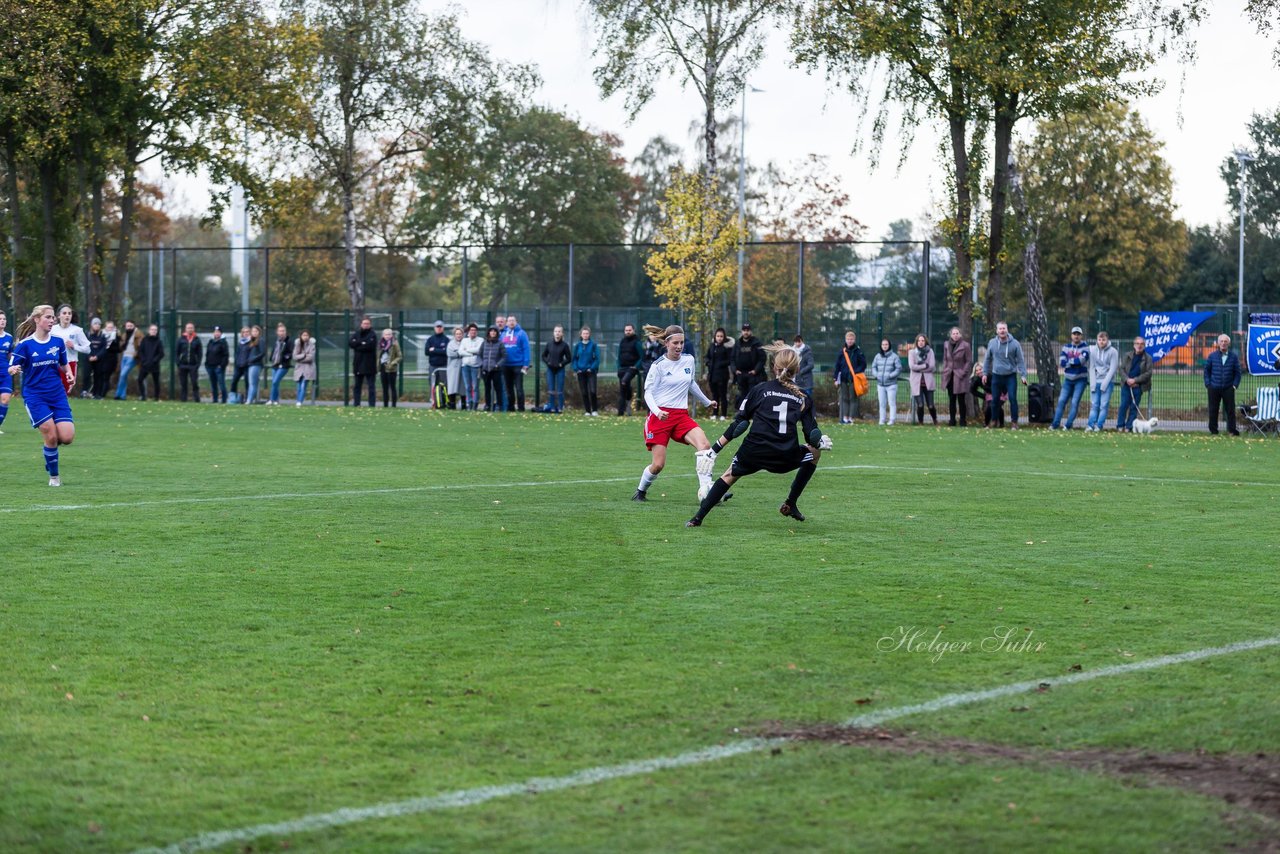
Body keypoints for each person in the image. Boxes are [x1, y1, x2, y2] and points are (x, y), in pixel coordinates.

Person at [687, 346, 832, 527]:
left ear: (774, 368)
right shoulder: (803, 397)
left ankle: (697, 518)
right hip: (784, 455)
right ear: (798, 370)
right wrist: (819, 442)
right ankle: (790, 502)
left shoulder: (761, 389)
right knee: (815, 453)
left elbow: (740, 424)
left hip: (754, 451)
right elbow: (811, 436)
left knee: (729, 475)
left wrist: (714, 450)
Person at [632, 324, 718, 502]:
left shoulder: (688, 360)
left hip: (681, 416)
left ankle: (708, 490)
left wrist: (707, 401)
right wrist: (657, 411)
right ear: (666, 343)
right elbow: (647, 393)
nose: (679, 347)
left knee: (705, 447)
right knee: (658, 465)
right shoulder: (658, 366)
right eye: (676, 343)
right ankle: (640, 491)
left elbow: (691, 383)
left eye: (682, 343)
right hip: (659, 418)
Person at [8, 305, 75, 485]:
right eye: (48, 317)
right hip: (35, 396)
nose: (52, 320)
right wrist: (13, 368)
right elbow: (12, 366)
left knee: (67, 437)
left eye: (53, 317)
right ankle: (54, 477)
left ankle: (49, 450)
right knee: (51, 436)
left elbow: (63, 363)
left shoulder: (58, 342)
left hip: (57, 395)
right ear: (37, 320)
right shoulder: (25, 345)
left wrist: (68, 372)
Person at [982, 322, 1027, 428]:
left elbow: (1020, 360)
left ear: (1007, 330)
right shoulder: (992, 343)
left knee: (1012, 398)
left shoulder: (1015, 344)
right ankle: (993, 421)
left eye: (1004, 328)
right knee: (995, 400)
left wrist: (1023, 375)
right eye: (1000, 329)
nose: (1002, 330)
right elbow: (987, 359)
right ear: (997, 331)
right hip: (996, 375)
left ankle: (1014, 422)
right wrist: (984, 373)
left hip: (1010, 376)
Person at [1050, 326, 1090, 431]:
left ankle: (1068, 425)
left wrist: (1070, 361)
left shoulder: (1085, 347)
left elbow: (1081, 361)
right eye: (1074, 334)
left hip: (1080, 379)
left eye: (1078, 334)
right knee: (1061, 401)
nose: (1076, 336)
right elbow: (1062, 362)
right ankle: (1054, 424)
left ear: (1081, 336)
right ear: (1071, 335)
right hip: (1068, 379)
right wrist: (1073, 362)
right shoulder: (1066, 347)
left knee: (1074, 402)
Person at [1204, 333, 1242, 436]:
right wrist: (1208, 384)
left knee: (1230, 410)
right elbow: (1206, 371)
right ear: (1218, 343)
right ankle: (1213, 431)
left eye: (1225, 341)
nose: (1223, 343)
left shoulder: (1233, 357)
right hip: (1214, 387)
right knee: (1213, 410)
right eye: (1221, 341)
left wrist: (1234, 385)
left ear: (1228, 343)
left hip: (1228, 388)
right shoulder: (1212, 356)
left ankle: (1232, 430)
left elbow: (1238, 373)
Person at [50, 304, 90, 396]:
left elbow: (87, 349)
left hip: (70, 364)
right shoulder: (52, 329)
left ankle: (61, 410)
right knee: (52, 391)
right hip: (53, 363)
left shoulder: (77, 330)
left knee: (64, 393)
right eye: (64, 313)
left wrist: (74, 346)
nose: (67, 315)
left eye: (69, 313)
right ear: (59, 315)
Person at [1116, 336, 1153, 432]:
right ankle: (1120, 426)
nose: (1139, 346)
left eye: (1141, 344)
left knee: (1134, 407)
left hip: (1138, 386)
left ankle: (1129, 427)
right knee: (1123, 405)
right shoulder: (1127, 355)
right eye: (1137, 343)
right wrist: (1127, 379)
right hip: (1126, 385)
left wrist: (1135, 380)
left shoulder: (1148, 358)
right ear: (1134, 345)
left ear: (1144, 346)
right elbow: (1121, 369)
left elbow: (1148, 373)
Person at [1085, 331, 1118, 432]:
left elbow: (1113, 369)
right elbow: (1091, 367)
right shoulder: (1093, 350)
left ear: (1107, 340)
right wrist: (1093, 383)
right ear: (1097, 340)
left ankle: (1099, 425)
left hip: (1107, 382)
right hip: (1096, 381)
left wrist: (1105, 384)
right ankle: (1090, 425)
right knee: (1094, 404)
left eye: (1103, 340)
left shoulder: (1113, 351)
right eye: (1099, 340)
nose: (1101, 342)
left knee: (1104, 405)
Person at [940, 327, 972, 426]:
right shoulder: (946, 344)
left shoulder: (965, 345)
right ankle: (952, 420)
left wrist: (963, 372)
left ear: (960, 334)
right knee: (952, 399)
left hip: (960, 375)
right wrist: (945, 369)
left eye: (957, 333)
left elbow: (968, 361)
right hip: (949, 375)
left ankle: (963, 421)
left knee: (961, 400)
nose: (955, 335)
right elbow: (945, 359)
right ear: (951, 335)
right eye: (953, 333)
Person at [833, 329, 866, 424]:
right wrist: (835, 378)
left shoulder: (858, 351)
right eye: (848, 339)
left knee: (853, 399)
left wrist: (855, 372)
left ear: (854, 340)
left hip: (854, 380)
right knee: (844, 398)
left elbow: (863, 365)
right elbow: (837, 365)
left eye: (851, 339)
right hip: (843, 378)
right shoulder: (842, 352)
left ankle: (851, 418)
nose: (849, 341)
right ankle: (845, 417)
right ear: (845, 340)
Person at [500, 314, 531, 411]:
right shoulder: (503, 334)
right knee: (508, 388)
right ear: (507, 322)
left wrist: (526, 364)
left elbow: (526, 349)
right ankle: (510, 407)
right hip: (506, 365)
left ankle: (521, 408)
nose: (511, 322)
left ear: (516, 322)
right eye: (509, 321)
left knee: (519, 388)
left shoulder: (522, 333)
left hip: (518, 365)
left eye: (513, 320)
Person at [731, 322, 766, 407]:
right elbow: (732, 359)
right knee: (742, 395)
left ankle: (753, 413)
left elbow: (762, 358)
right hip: (741, 374)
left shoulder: (756, 343)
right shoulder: (738, 343)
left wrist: (756, 370)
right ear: (742, 331)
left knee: (753, 395)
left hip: (753, 375)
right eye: (744, 330)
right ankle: (742, 413)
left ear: (750, 331)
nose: (746, 332)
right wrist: (735, 370)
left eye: (747, 330)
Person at [908, 333, 938, 425]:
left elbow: (932, 366)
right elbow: (912, 366)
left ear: (925, 342)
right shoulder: (912, 352)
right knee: (920, 405)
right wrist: (925, 365)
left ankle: (935, 421)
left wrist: (919, 368)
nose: (921, 342)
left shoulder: (930, 351)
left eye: (923, 340)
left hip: (928, 382)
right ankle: (921, 422)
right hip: (916, 383)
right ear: (916, 342)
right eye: (919, 341)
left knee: (931, 405)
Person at [870, 338, 901, 425]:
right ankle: (882, 420)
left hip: (891, 384)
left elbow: (898, 368)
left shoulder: (895, 356)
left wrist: (890, 375)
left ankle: (892, 420)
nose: (884, 346)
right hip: (880, 384)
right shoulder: (877, 356)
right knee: (882, 403)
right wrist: (876, 375)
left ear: (889, 345)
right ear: (881, 346)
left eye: (886, 344)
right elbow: (873, 367)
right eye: (883, 344)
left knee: (891, 403)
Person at [616, 324, 645, 416]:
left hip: (632, 368)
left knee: (624, 382)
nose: (628, 332)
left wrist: (636, 366)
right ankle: (624, 409)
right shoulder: (622, 341)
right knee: (623, 388)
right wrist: (619, 366)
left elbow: (642, 356)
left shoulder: (637, 342)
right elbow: (619, 355)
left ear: (633, 330)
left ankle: (622, 410)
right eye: (626, 330)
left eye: (629, 330)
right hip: (622, 368)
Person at [541, 325, 571, 413]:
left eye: (559, 331)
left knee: (559, 390)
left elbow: (569, 358)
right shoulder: (549, 344)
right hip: (550, 369)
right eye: (556, 331)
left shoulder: (565, 345)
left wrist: (562, 364)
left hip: (560, 370)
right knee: (551, 389)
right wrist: (548, 362)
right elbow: (543, 356)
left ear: (562, 334)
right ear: (553, 333)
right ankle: (553, 408)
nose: (557, 333)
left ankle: (560, 408)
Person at [349, 316, 377, 407]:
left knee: (371, 386)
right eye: (364, 323)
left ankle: (372, 404)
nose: (366, 325)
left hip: (370, 364)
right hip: (358, 364)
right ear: (361, 324)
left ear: (370, 324)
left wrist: (359, 344)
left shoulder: (373, 335)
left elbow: (370, 346)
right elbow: (351, 343)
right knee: (357, 386)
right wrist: (362, 342)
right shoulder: (356, 334)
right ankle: (356, 404)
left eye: (367, 323)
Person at [572, 325, 599, 415]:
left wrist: (591, 368)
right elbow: (574, 358)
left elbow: (597, 359)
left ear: (589, 334)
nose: (585, 335)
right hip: (581, 371)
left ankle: (594, 410)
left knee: (593, 391)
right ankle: (587, 411)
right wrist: (576, 369)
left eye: (587, 333)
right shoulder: (578, 346)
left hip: (591, 371)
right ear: (581, 334)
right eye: (584, 333)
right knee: (584, 392)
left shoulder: (593, 345)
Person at [479, 325, 507, 411]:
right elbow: (480, 355)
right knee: (487, 388)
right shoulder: (484, 343)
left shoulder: (500, 343)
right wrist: (483, 364)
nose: (493, 333)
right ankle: (487, 405)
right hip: (485, 369)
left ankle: (499, 405)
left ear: (497, 333)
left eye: (495, 331)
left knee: (498, 388)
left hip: (496, 370)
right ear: (489, 333)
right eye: (491, 331)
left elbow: (504, 356)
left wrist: (497, 365)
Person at [175, 321, 203, 402]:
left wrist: (197, 364)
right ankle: (183, 400)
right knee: (183, 384)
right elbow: (176, 352)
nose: (190, 329)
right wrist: (178, 363)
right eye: (188, 328)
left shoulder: (197, 340)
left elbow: (200, 353)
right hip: (183, 365)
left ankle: (197, 399)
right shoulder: (181, 339)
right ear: (185, 329)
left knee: (194, 383)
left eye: (191, 328)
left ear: (193, 329)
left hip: (193, 365)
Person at [114, 320, 141, 400]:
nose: (129, 327)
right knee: (123, 376)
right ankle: (123, 396)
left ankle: (118, 394)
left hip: (132, 357)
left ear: (134, 326)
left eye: (131, 326)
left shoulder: (138, 334)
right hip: (124, 356)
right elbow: (121, 346)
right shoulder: (125, 335)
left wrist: (136, 354)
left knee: (123, 374)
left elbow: (140, 345)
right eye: (127, 326)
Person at [425, 319, 450, 405]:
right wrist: (440, 350)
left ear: (443, 328)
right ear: (434, 328)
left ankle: (444, 401)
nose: (439, 329)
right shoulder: (430, 340)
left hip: (443, 366)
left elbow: (446, 352)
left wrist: (434, 350)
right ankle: (433, 401)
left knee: (444, 384)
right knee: (432, 384)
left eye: (440, 327)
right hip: (433, 365)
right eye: (437, 327)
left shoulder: (446, 340)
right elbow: (426, 352)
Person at [459, 323, 483, 410]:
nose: (473, 332)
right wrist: (471, 354)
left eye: (474, 330)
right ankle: (469, 403)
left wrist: (467, 350)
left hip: (476, 367)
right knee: (468, 386)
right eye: (471, 330)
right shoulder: (464, 340)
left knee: (475, 386)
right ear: (468, 331)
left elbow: (478, 350)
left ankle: (475, 404)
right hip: (465, 366)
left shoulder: (481, 340)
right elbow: (460, 352)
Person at [137, 323, 165, 401]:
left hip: (155, 365)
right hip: (145, 365)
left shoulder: (159, 341)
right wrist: (144, 360)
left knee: (156, 382)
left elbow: (161, 353)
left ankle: (156, 397)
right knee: (140, 380)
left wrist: (154, 360)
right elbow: (140, 351)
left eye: (155, 330)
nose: (154, 331)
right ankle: (143, 396)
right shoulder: (144, 340)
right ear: (149, 330)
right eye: (152, 329)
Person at [267, 323, 292, 405]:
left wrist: (285, 358)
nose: (282, 332)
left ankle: (271, 399)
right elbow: (274, 351)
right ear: (277, 332)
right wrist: (271, 359)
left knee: (275, 381)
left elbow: (290, 353)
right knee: (275, 383)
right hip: (275, 364)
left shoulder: (288, 341)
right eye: (280, 331)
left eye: (283, 331)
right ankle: (276, 400)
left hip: (283, 366)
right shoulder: (277, 341)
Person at [972, 362, 1002, 428]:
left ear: (984, 369)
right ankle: (986, 423)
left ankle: (1000, 423)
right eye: (976, 370)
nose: (979, 371)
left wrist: (986, 388)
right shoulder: (977, 379)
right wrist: (983, 396)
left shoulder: (990, 376)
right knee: (989, 407)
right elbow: (972, 390)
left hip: (1001, 393)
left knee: (997, 406)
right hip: (990, 395)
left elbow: (996, 387)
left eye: (980, 369)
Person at [205, 325, 230, 404]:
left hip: (218, 367)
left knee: (221, 384)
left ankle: (224, 399)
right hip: (210, 366)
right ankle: (215, 400)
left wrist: (221, 365)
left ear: (221, 333)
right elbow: (208, 353)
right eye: (215, 332)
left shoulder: (223, 343)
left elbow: (226, 355)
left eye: (218, 332)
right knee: (213, 384)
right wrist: (206, 364)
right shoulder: (211, 342)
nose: (216, 334)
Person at [86, 318, 109, 399]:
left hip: (99, 360)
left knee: (98, 377)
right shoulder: (87, 335)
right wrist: (90, 356)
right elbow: (85, 346)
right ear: (92, 325)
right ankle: (85, 392)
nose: (97, 325)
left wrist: (97, 357)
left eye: (99, 324)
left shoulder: (102, 336)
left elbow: (104, 348)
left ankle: (97, 394)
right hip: (89, 359)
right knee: (87, 376)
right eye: (95, 324)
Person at [378, 327, 402, 407]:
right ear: (383, 335)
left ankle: (394, 405)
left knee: (392, 387)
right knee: (384, 387)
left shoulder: (395, 344)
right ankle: (385, 405)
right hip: (382, 367)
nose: (387, 336)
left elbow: (399, 356)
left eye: (389, 334)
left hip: (392, 368)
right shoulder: (381, 344)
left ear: (392, 335)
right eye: (386, 334)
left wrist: (392, 363)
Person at [292, 329, 316, 406]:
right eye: (304, 335)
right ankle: (298, 400)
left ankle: (300, 402)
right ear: (300, 336)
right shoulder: (297, 345)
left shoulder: (312, 345)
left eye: (307, 335)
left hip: (308, 369)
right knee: (298, 386)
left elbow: (310, 358)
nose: (305, 337)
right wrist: (304, 355)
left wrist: (300, 358)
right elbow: (294, 356)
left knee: (303, 385)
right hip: (299, 369)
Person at [98, 321, 120, 399]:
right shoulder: (101, 335)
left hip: (111, 359)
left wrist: (110, 347)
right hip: (101, 359)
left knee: (106, 377)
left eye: (111, 327)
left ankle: (102, 394)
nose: (110, 329)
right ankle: (98, 393)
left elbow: (118, 349)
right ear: (105, 328)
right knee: (100, 376)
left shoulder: (116, 337)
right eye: (108, 327)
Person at [230, 327, 251, 402]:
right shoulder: (240, 343)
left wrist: (248, 362)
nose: (245, 333)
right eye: (244, 332)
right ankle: (233, 398)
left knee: (247, 383)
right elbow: (237, 354)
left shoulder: (252, 343)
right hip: (239, 366)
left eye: (247, 332)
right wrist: (237, 362)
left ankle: (247, 398)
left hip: (247, 366)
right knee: (234, 381)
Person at [245, 324, 265, 404]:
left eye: (256, 331)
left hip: (256, 364)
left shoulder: (261, 340)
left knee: (253, 383)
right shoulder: (251, 341)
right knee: (252, 383)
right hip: (251, 364)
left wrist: (253, 359)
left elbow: (262, 352)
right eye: (253, 331)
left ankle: (249, 400)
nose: (254, 333)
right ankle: (251, 399)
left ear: (259, 332)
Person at [446, 326, 465, 409]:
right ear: (454, 335)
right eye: (457, 334)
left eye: (460, 334)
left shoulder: (465, 342)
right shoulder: (450, 344)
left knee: (463, 386)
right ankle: (452, 404)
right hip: (453, 368)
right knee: (452, 386)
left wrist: (459, 352)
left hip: (463, 366)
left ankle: (464, 404)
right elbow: (450, 353)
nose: (459, 335)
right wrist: (461, 352)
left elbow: (467, 351)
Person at [0, 310, 12, 433]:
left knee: (5, 399)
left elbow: (10, 356)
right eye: (0, 319)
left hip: (5, 373)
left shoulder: (9, 337)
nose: (2, 321)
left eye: (4, 319)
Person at [793, 334, 815, 401]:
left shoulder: (807, 352)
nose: (797, 343)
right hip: (796, 381)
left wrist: (801, 371)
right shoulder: (792, 351)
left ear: (802, 341)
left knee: (807, 401)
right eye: (795, 342)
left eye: (798, 341)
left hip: (806, 382)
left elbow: (811, 365)